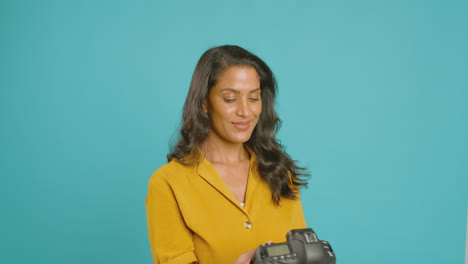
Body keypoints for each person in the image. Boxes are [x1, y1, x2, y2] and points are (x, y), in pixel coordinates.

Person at [146, 45, 309, 264]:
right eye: (230, 99)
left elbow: (301, 253)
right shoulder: (168, 183)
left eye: (253, 98)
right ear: (204, 102)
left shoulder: (280, 171)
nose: (245, 112)